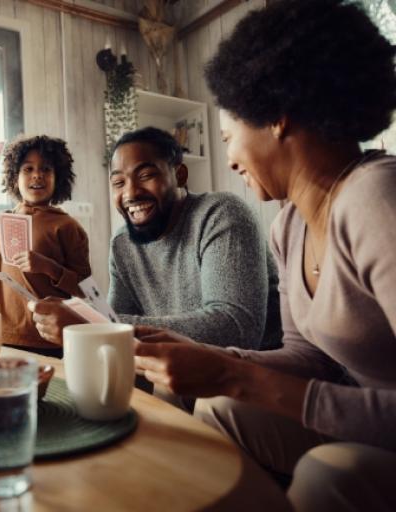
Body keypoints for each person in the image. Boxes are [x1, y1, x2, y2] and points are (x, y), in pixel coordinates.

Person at [132, 0, 396, 509]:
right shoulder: (290, 224)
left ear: (276, 116)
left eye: (229, 137)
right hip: (362, 418)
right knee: (219, 406)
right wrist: (211, 360)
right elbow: (310, 357)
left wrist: (238, 374)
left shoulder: (376, 200)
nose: (228, 159)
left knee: (326, 474)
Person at [30, 127, 281, 352]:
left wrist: (93, 323)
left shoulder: (221, 214)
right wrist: (86, 317)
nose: (130, 193)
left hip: (248, 378)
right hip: (174, 371)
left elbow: (234, 329)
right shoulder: (123, 243)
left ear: (179, 175)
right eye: (118, 182)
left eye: (146, 175)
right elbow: (116, 322)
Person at [0, 135, 91, 356]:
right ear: (15, 178)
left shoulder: (66, 226)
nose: (37, 174)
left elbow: (87, 291)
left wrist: (49, 267)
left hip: (48, 341)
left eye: (46, 169)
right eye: (28, 169)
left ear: (58, 178)